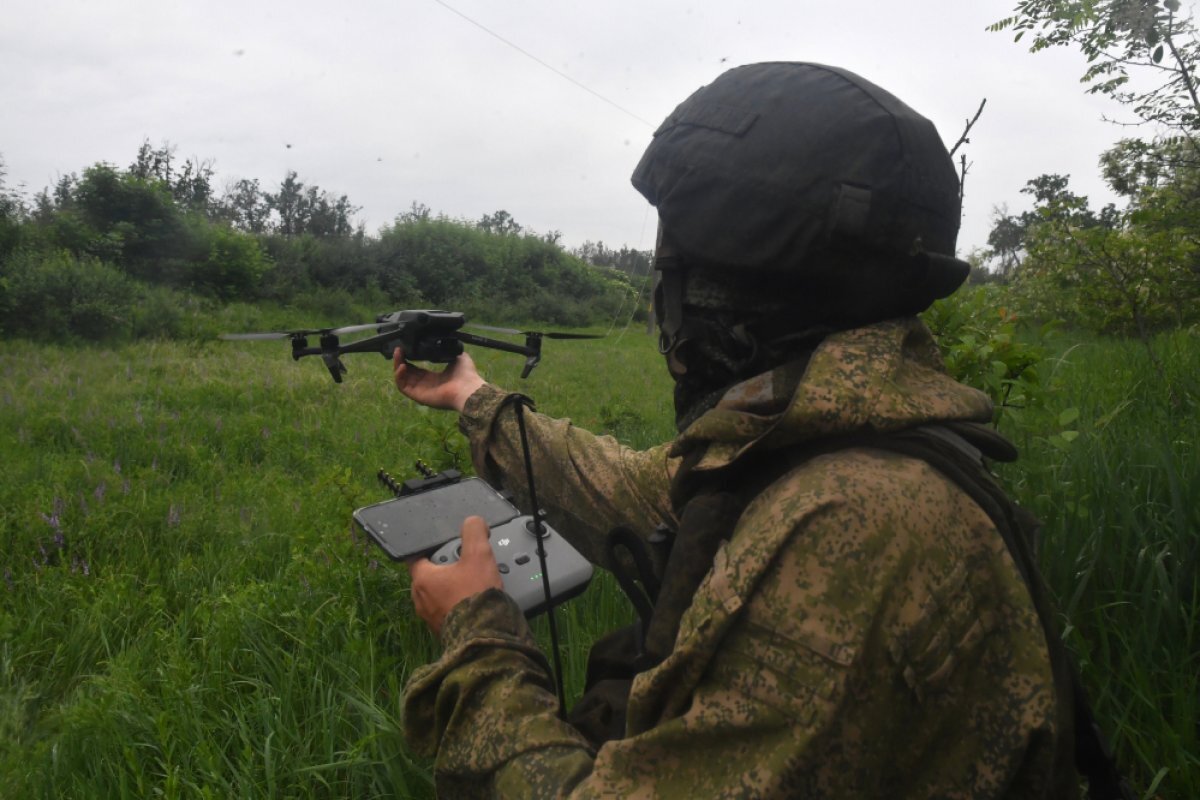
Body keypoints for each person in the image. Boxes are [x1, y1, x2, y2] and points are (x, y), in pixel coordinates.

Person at [392, 62, 1079, 799]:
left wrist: (479, 637)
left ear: (730, 291)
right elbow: (642, 490)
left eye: (674, 268)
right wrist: (475, 398)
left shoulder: (849, 526)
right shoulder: (825, 438)